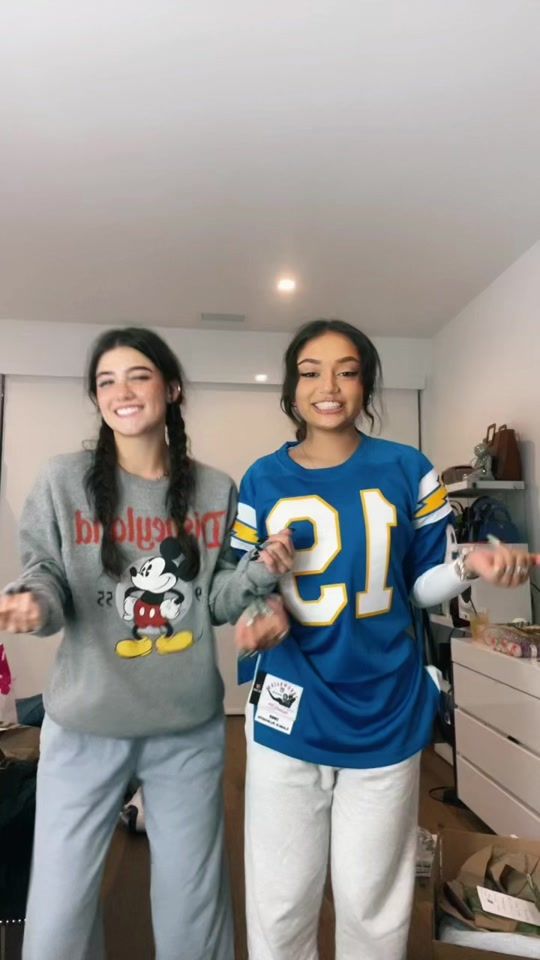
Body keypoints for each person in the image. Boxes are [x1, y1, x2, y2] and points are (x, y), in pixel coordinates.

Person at [232, 318, 539, 960]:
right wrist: (256, 611)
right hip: (290, 710)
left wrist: (466, 567)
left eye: (347, 370)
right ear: (291, 388)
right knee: (280, 902)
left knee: (373, 903)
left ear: (365, 383)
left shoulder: (407, 468)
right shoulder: (261, 479)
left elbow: (418, 586)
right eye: (311, 371)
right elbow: (243, 582)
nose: (329, 385)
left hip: (385, 710)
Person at [0, 326, 292, 960]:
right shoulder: (62, 480)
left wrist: (262, 580)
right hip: (84, 726)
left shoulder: (216, 490)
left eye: (137, 376)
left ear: (172, 389)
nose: (120, 392)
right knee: (57, 919)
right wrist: (32, 605)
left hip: (185, 727)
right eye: (106, 381)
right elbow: (45, 574)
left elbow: (215, 599)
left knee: (195, 907)